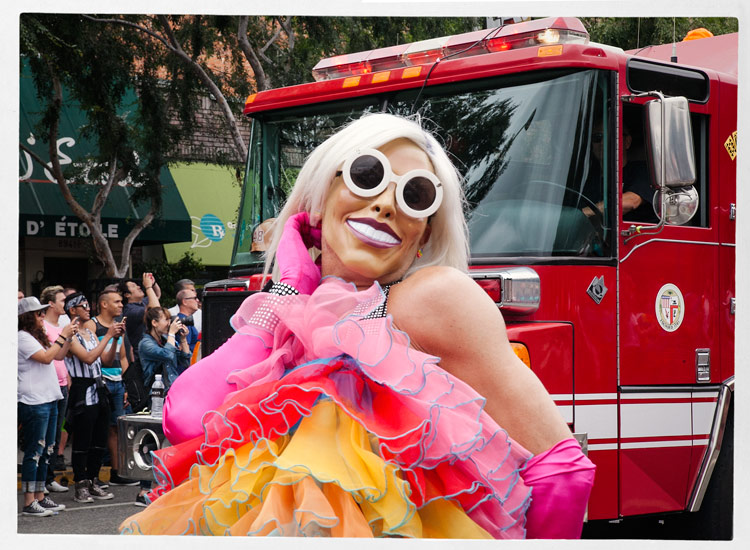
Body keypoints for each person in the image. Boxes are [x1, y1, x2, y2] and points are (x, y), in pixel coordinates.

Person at [121, 113, 595, 538]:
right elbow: (186, 417)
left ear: (422, 234)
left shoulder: (432, 299)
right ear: (321, 200)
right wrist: (290, 288)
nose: (387, 205)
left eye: (415, 195)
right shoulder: (294, 321)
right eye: (367, 176)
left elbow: (563, 470)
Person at [18, 296, 77, 516]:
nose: (42, 316)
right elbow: (45, 357)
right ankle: (28, 501)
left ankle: (40, 496)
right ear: (26, 317)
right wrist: (63, 335)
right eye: (38, 313)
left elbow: (58, 355)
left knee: (46, 450)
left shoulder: (36, 336)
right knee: (34, 452)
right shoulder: (22, 338)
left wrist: (68, 338)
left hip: (49, 398)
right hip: (34, 401)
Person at [63, 292, 121, 503]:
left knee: (99, 438)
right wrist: (107, 336)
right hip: (82, 388)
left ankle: (93, 480)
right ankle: (81, 484)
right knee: (82, 439)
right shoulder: (71, 335)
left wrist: (113, 340)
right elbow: (87, 358)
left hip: (99, 386)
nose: (89, 308)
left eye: (89, 304)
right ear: (72, 310)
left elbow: (104, 359)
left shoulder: (90, 334)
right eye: (83, 305)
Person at [132, 307, 191, 506]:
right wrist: (172, 336)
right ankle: (145, 491)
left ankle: (159, 487)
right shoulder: (146, 343)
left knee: (168, 441)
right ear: (154, 323)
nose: (169, 323)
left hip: (173, 393)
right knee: (154, 441)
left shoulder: (166, 339)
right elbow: (166, 356)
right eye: (165, 320)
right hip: (156, 397)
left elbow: (184, 361)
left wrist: (182, 339)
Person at [90, 289, 138, 487]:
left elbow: (124, 357)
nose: (121, 305)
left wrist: (126, 383)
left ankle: (117, 472)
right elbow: (94, 356)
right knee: (101, 428)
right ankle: (97, 472)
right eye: (117, 302)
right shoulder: (92, 325)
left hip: (118, 382)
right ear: (104, 304)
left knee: (116, 428)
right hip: (101, 382)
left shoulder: (119, 326)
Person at [583, 122, 657, 224]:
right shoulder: (587, 179)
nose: (603, 142)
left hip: (634, 237)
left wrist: (583, 214)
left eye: (611, 136)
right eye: (597, 137)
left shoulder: (644, 171)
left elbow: (632, 201)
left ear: (627, 141)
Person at [39, 285, 72, 487]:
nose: (65, 305)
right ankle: (44, 479)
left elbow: (62, 356)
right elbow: (48, 355)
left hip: (63, 384)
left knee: (56, 432)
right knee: (47, 434)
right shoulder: (42, 327)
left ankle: (49, 477)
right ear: (51, 303)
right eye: (61, 301)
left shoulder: (62, 327)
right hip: (48, 385)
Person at [118, 273, 161, 361]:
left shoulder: (142, 302)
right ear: (127, 295)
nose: (138, 286)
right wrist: (148, 287)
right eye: (133, 286)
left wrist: (153, 282)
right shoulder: (130, 310)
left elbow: (156, 295)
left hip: (151, 350)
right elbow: (155, 310)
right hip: (141, 356)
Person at [173, 289, 200, 353]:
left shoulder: (184, 320)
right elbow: (185, 349)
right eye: (194, 298)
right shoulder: (184, 322)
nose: (198, 300)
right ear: (184, 301)